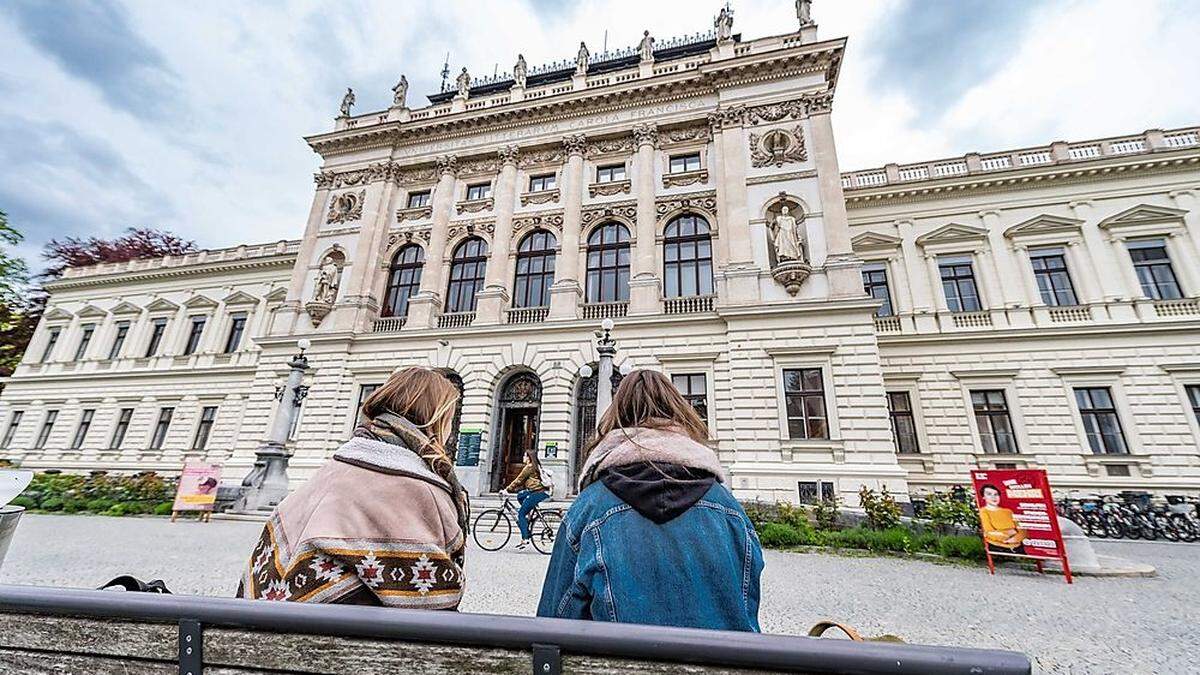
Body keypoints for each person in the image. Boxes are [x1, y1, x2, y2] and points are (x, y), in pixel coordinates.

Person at [537, 370, 763, 631]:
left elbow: (555, 619)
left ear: (617, 417)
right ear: (680, 414)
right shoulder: (728, 509)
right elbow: (746, 611)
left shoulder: (590, 508)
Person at [236, 367, 469, 608]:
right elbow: (436, 603)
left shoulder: (330, 471)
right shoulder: (421, 490)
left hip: (263, 622)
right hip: (344, 640)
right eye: (450, 419)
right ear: (437, 419)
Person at [502, 448, 552, 550]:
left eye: (525, 456)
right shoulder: (535, 466)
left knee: (520, 514)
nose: (523, 458)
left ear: (529, 458)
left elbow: (519, 480)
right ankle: (528, 513)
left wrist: (507, 490)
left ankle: (525, 539)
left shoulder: (529, 467)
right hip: (536, 491)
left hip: (538, 493)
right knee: (520, 495)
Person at [978, 484, 1026, 554]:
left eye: (996, 494)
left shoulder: (1008, 511)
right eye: (989, 494)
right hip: (997, 548)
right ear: (983, 497)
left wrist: (1012, 537)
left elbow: (1023, 531)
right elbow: (989, 532)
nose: (993, 497)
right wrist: (1012, 532)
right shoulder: (983, 511)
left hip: (1018, 548)